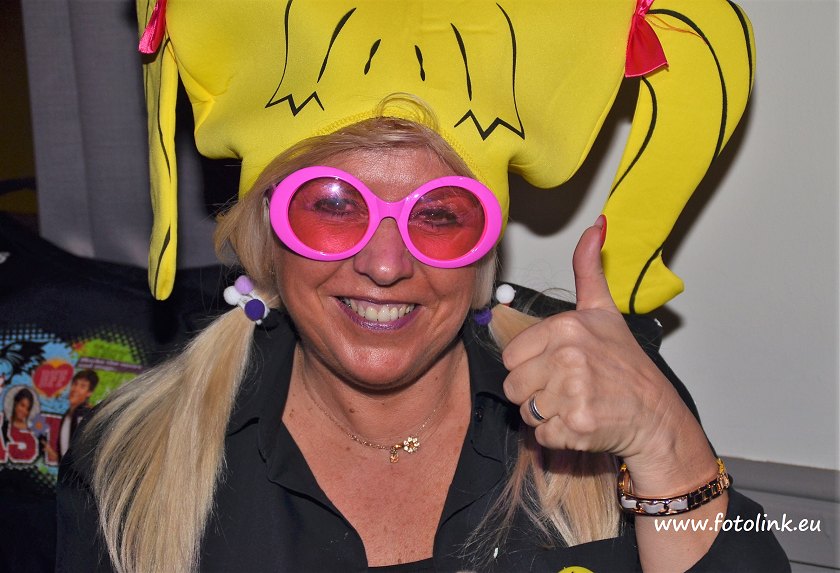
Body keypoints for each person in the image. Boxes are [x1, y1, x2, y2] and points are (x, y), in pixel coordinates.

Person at [57, 113, 789, 572]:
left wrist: (664, 442)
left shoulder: (603, 394)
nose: (385, 265)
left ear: (482, 249)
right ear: (269, 236)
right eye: (334, 206)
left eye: (438, 215)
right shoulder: (132, 458)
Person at [58, 369, 98, 459]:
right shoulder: (67, 414)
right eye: (75, 384)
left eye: (82, 386)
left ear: (89, 393)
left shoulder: (85, 414)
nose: (75, 389)